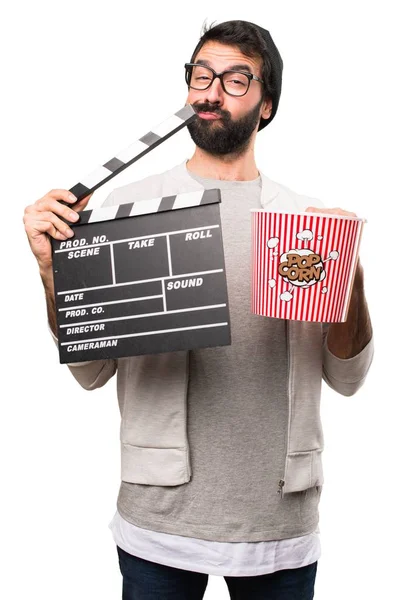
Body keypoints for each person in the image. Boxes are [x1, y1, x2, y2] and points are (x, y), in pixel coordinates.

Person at [23, 19, 374, 600]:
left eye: (238, 80)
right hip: (157, 519)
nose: (211, 91)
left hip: (279, 521)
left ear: (267, 105)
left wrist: (350, 277)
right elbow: (91, 370)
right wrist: (49, 271)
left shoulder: (306, 223)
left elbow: (348, 378)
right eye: (202, 75)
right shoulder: (129, 209)